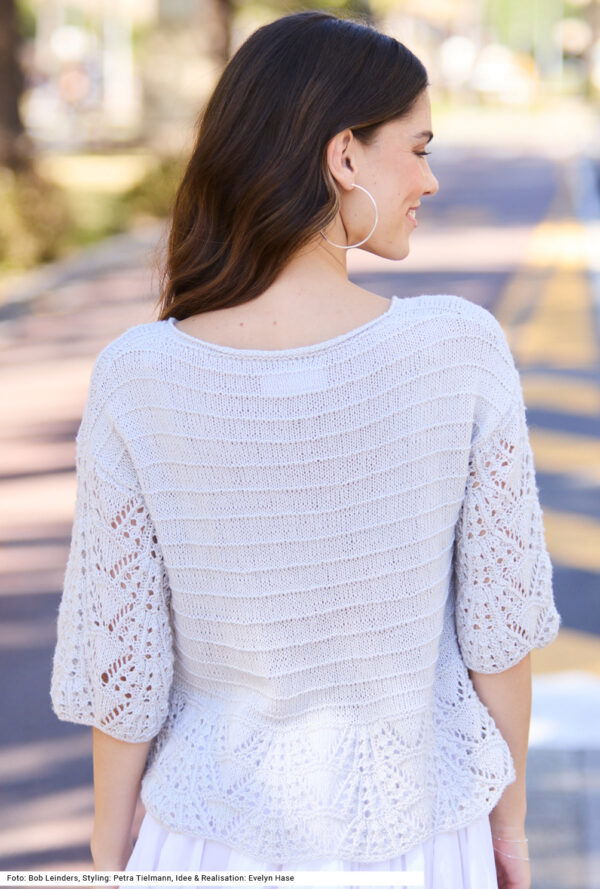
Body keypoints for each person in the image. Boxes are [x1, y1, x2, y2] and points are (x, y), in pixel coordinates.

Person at [49, 10, 562, 889]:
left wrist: (106, 854)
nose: (430, 180)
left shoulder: (137, 375)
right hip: (422, 837)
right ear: (344, 156)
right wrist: (508, 824)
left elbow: (123, 670)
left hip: (203, 840)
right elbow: (497, 634)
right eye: (419, 148)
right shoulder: (458, 349)